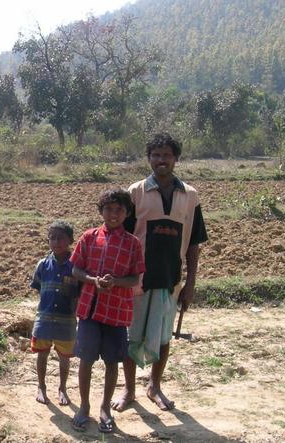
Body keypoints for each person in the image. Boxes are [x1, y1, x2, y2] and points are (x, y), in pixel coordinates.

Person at [111, 132, 208, 413]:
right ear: (149, 158)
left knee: (164, 337)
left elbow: (193, 243)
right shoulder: (135, 192)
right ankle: (129, 389)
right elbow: (121, 237)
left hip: (170, 280)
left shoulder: (190, 196)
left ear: (176, 158)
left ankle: (154, 385)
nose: (161, 160)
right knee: (131, 337)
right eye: (156, 155)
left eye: (166, 155)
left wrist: (190, 283)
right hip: (136, 280)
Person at [70, 189, 145, 433]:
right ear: (101, 210)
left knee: (112, 361)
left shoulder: (132, 243)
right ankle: (84, 406)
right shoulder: (89, 237)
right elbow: (75, 270)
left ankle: (105, 408)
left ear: (127, 213)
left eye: (119, 210)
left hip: (116, 312)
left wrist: (116, 282)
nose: (114, 214)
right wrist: (93, 280)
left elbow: (135, 277)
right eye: (109, 209)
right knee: (86, 359)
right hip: (90, 310)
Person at [29, 220, 80, 406]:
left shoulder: (76, 266)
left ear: (70, 240)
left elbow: (80, 293)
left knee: (64, 357)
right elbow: (38, 287)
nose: (56, 242)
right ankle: (41, 386)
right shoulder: (42, 265)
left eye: (61, 238)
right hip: (44, 318)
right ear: (48, 240)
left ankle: (62, 388)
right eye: (52, 238)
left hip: (67, 320)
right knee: (42, 354)